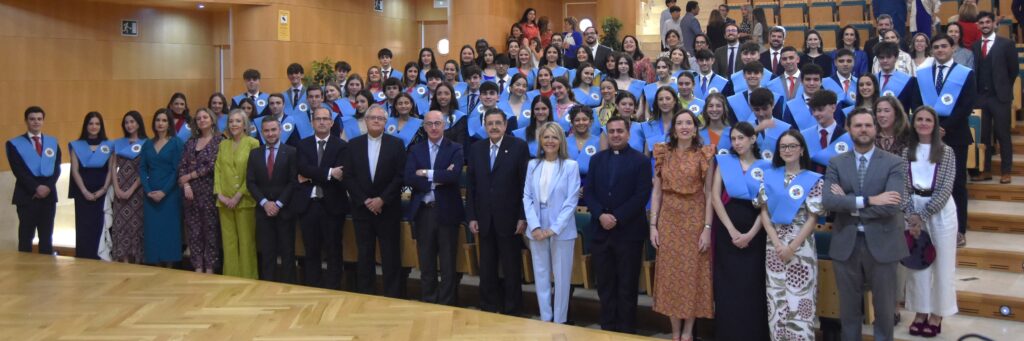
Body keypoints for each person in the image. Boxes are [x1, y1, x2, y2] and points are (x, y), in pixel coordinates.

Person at [822, 108, 908, 341]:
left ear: (876, 129)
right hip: (846, 243)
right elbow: (828, 201)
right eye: (858, 125)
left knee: (884, 311)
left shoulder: (894, 163)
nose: (863, 129)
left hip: (883, 243)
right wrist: (869, 200)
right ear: (848, 129)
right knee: (849, 311)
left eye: (868, 125)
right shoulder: (836, 163)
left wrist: (847, 203)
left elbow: (892, 205)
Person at [650, 110, 715, 341]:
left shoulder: (704, 154)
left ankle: (688, 333)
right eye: (680, 123)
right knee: (670, 277)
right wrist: (653, 225)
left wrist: (707, 229)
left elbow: (709, 194)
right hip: (669, 220)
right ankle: (675, 333)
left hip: (694, 219)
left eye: (689, 123)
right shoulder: (662, 152)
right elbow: (656, 192)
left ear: (696, 128)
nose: (684, 126)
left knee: (691, 276)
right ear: (674, 128)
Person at [585, 116, 653, 333]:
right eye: (611, 131)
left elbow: (641, 195)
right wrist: (601, 215)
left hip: (628, 232)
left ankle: (626, 330)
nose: (615, 135)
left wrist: (616, 217)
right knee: (604, 285)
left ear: (628, 133)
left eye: (619, 131)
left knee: (627, 285)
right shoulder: (596, 160)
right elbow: (589, 192)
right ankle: (608, 328)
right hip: (600, 231)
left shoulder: (641, 161)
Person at [755, 129, 824, 340]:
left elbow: (813, 218)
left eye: (792, 146)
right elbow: (764, 212)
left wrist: (791, 247)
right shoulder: (770, 176)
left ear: (802, 149)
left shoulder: (813, 180)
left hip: (800, 248)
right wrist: (777, 243)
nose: (788, 150)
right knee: (776, 305)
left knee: (799, 306)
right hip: (774, 247)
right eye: (783, 146)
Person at [710, 121, 771, 341]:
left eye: (741, 138)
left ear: (752, 139)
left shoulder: (766, 166)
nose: (736, 143)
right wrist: (731, 230)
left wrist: (751, 234)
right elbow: (715, 197)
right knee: (728, 288)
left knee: (752, 287)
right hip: (728, 231)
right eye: (733, 139)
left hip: (756, 232)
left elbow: (766, 205)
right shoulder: (724, 163)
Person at [466, 108, 530, 315]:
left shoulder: (519, 147)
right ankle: (488, 305)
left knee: (511, 267)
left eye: (498, 123)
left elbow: (525, 186)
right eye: (490, 123)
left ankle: (513, 309)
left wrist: (523, 216)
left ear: (505, 125)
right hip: (484, 217)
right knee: (487, 266)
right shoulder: (476, 149)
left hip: (510, 218)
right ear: (485, 126)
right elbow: (471, 186)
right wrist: (472, 216)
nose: (493, 127)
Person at [902, 106, 958, 337]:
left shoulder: (946, 152)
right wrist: (911, 214)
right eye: (920, 119)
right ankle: (920, 312)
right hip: (914, 208)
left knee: (943, 265)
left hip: (940, 211)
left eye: (928, 120)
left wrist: (923, 216)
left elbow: (945, 188)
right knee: (918, 265)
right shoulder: (906, 152)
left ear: (935, 125)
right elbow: (903, 185)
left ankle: (938, 314)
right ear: (914, 124)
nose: (924, 123)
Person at [342, 104, 406, 297]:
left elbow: (400, 176)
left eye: (380, 118)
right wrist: (365, 201)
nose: (376, 121)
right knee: (365, 254)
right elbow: (349, 176)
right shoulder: (353, 145)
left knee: (390, 255)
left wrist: (382, 199)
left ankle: (392, 294)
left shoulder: (396, 144)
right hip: (362, 209)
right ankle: (366, 293)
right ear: (366, 121)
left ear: (386, 122)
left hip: (388, 209)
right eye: (372, 118)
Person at [523, 122, 581, 324]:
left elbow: (571, 201)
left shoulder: (570, 166)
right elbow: (527, 197)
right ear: (540, 140)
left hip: (562, 228)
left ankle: (560, 320)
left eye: (554, 137)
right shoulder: (533, 164)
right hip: (537, 225)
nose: (550, 141)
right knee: (541, 275)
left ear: (561, 141)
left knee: (562, 276)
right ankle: (545, 318)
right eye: (546, 137)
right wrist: (535, 226)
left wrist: (553, 229)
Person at [405, 110, 464, 305]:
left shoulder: (455, 148)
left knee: (447, 263)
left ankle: (447, 303)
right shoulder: (415, 150)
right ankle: (428, 300)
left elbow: (453, 176)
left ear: (444, 125)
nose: (433, 127)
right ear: (424, 126)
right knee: (426, 261)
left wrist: (426, 173)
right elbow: (410, 177)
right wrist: (438, 177)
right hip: (424, 211)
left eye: (437, 123)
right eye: (429, 123)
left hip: (447, 211)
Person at [292, 108, 349, 289]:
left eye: (326, 119)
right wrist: (329, 172)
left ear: (332, 123)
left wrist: (311, 175)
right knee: (311, 250)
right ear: (312, 122)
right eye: (318, 119)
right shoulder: (302, 145)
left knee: (333, 250)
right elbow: (301, 169)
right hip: (308, 205)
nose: (322, 122)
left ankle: (333, 288)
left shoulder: (341, 146)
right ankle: (312, 287)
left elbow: (341, 174)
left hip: (332, 206)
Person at [246, 117, 298, 283]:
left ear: (280, 130)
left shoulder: (291, 152)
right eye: (266, 131)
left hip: (285, 211)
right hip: (263, 212)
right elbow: (251, 182)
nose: (270, 134)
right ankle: (267, 287)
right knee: (267, 253)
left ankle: (288, 286)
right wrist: (264, 203)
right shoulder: (255, 154)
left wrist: (278, 204)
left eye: (273, 130)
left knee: (287, 253)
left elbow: (293, 181)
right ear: (262, 133)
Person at [973, 11, 1019, 185]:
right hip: (981, 97)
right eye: (981, 23)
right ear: (978, 25)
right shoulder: (976, 46)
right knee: (983, 136)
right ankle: (985, 171)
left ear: (993, 24)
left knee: (1002, 134)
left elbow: (1013, 70)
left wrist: (1003, 87)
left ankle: (1006, 171)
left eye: (987, 22)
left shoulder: (1006, 44)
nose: (984, 25)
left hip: (1000, 97)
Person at [214, 109, 260, 279]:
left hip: (245, 200)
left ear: (245, 125)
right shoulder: (223, 144)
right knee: (229, 243)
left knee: (247, 242)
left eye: (238, 121)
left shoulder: (253, 143)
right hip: (224, 201)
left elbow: (254, 173)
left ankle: (248, 278)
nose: (234, 124)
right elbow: (218, 170)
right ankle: (230, 278)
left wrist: (239, 195)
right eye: (231, 121)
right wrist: (219, 194)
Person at [179, 108, 222, 273]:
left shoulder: (219, 140)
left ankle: (210, 267)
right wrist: (187, 185)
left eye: (205, 117)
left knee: (210, 231)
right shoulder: (190, 142)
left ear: (212, 119)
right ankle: (197, 266)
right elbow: (182, 165)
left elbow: (211, 166)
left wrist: (189, 176)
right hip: (190, 195)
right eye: (198, 118)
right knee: (193, 231)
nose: (202, 120)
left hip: (209, 192)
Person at [141, 109, 184, 266]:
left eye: (164, 120)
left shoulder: (176, 143)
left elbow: (177, 170)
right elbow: (143, 168)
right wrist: (147, 190)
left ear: (169, 123)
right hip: (150, 194)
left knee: (169, 231)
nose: (160, 123)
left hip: (170, 194)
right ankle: (156, 264)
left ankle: (170, 266)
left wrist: (164, 192)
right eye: (158, 120)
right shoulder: (147, 144)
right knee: (153, 231)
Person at [68, 112, 112, 260]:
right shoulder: (76, 145)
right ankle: (83, 258)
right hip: (83, 194)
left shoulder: (109, 145)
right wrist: (84, 191)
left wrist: (103, 189)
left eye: (97, 124)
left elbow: (111, 170)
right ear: (86, 126)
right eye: (91, 123)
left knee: (100, 227)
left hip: (102, 193)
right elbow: (75, 170)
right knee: (84, 229)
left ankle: (100, 257)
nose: (94, 127)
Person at [110, 111, 147, 264]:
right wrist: (117, 188)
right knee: (121, 225)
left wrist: (132, 189)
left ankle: (137, 260)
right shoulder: (118, 143)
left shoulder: (146, 143)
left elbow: (144, 169)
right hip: (120, 189)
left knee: (136, 225)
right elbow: (113, 166)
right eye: (126, 122)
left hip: (137, 191)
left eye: (132, 121)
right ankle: (123, 260)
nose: (129, 125)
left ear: (138, 123)